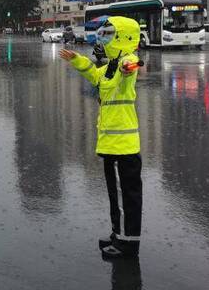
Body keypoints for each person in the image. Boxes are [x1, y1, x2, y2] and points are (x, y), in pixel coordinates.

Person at [59, 16, 143, 259]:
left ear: (122, 37)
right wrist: (78, 61)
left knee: (126, 198)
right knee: (115, 196)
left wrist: (131, 67)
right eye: (103, 33)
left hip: (123, 146)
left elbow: (133, 65)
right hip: (111, 144)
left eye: (108, 33)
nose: (103, 38)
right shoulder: (112, 65)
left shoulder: (126, 61)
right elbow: (96, 77)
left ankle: (128, 244)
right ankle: (118, 234)